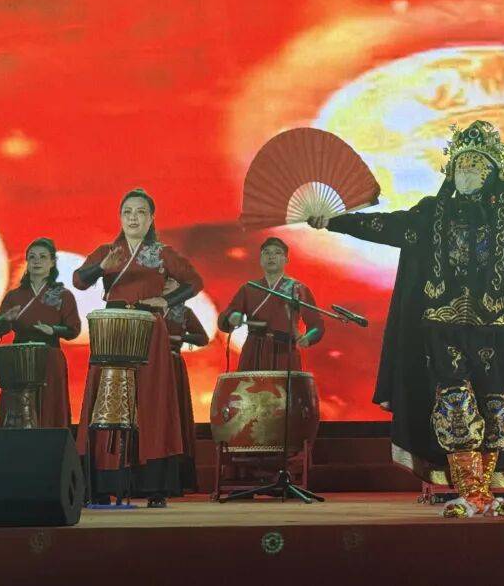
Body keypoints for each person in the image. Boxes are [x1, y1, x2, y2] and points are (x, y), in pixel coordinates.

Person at [308, 120, 504, 517]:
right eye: (462, 166)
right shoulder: (430, 217)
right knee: (455, 406)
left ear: (491, 175)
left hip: (496, 331)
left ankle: (483, 492)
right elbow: (385, 225)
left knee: (495, 409)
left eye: (476, 167)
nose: (467, 174)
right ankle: (471, 493)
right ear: (450, 172)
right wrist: (334, 221)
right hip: (443, 330)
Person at [73, 188, 203, 507]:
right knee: (108, 399)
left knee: (151, 399)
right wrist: (100, 267)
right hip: (114, 326)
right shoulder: (107, 251)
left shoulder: (162, 253)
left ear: (151, 218)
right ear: (120, 217)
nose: (133, 217)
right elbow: (79, 281)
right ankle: (104, 482)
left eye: (141, 212)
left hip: (149, 328)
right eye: (128, 211)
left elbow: (194, 282)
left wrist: (167, 300)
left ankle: (154, 485)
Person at [0, 238, 81, 428]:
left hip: (49, 357)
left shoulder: (63, 295)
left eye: (42, 257)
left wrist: (53, 330)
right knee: (17, 410)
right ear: (27, 262)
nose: (37, 261)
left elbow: (74, 329)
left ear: (52, 262)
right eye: (32, 257)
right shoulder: (14, 296)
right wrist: (4, 319)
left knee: (49, 408)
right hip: (19, 357)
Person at [217, 237, 323, 371]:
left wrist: (308, 338)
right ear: (261, 260)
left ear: (286, 260)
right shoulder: (249, 288)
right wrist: (232, 317)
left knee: (284, 384)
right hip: (253, 350)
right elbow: (225, 316)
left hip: (285, 352)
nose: (271, 256)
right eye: (266, 253)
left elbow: (317, 324)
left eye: (277, 252)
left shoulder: (298, 289)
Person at [163, 277, 209, 492]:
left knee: (175, 414)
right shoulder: (146, 306)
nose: (166, 282)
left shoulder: (183, 311)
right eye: (164, 279)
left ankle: (178, 477)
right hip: (148, 367)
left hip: (172, 365)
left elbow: (202, 338)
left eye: (171, 280)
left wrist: (181, 338)